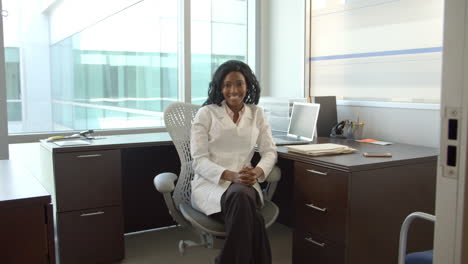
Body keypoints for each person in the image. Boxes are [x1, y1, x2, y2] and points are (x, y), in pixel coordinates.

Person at [190, 60, 277, 264]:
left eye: (239, 83)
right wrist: (232, 176)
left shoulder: (257, 114)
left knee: (241, 196)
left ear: (248, 86)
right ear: (220, 87)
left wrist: (256, 172)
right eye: (227, 84)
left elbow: (269, 151)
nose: (233, 90)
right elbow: (199, 160)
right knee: (252, 216)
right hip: (211, 185)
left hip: (246, 183)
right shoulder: (206, 114)